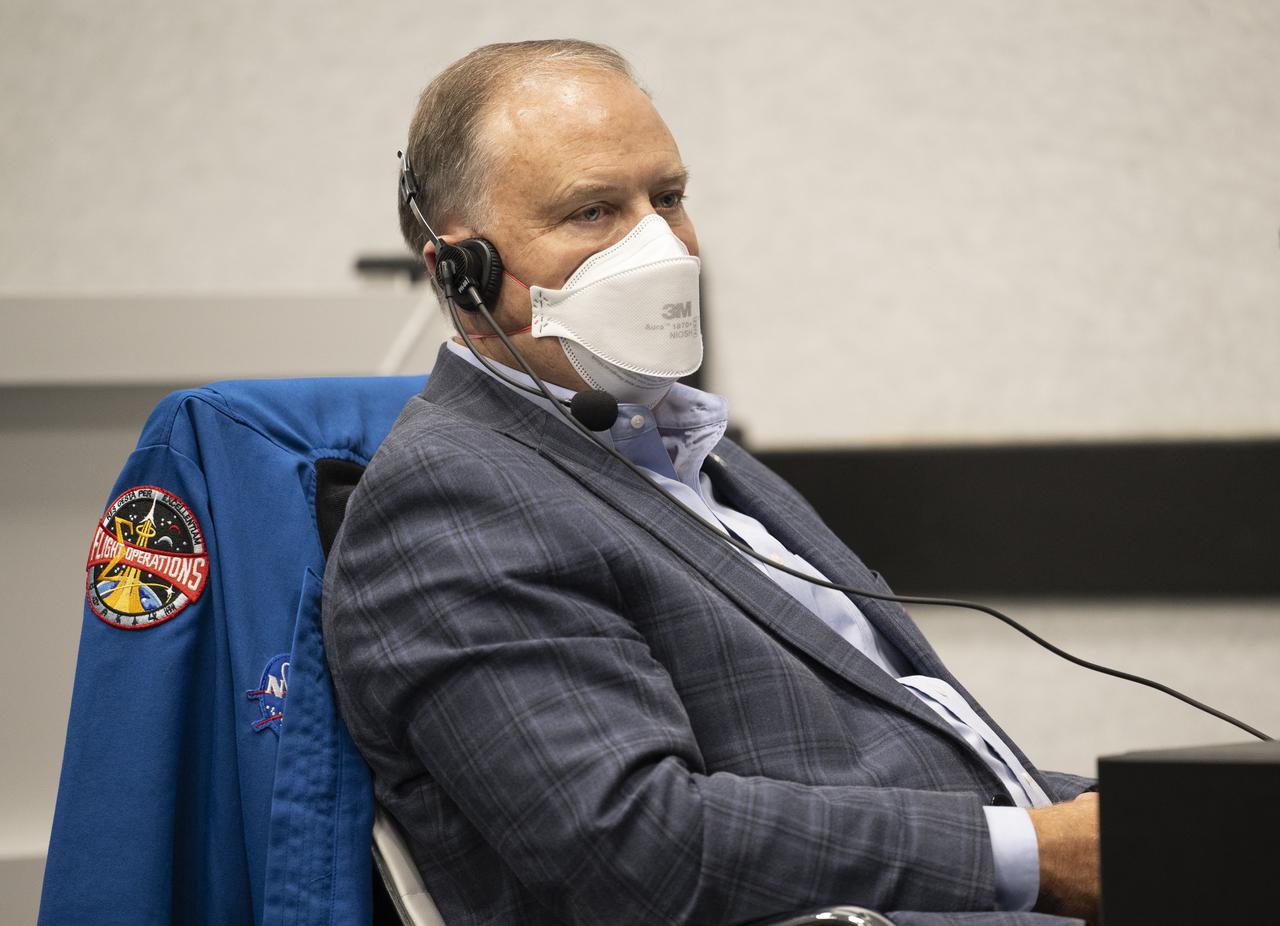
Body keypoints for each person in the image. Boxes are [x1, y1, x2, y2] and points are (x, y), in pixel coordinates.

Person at [323, 39, 1100, 926]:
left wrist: (1168, 826)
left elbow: (906, 761)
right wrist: (1039, 855)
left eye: (669, 198)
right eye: (592, 211)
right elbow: (636, 848)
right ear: (462, 275)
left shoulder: (697, 457)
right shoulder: (446, 503)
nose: (659, 244)